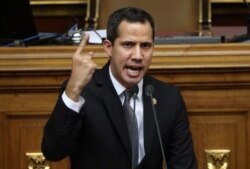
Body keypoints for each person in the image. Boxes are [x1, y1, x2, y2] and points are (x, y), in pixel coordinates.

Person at [41, 7, 197, 169]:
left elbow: (184, 164)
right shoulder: (82, 91)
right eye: (128, 45)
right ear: (108, 47)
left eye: (145, 46)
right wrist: (73, 88)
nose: (137, 56)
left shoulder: (169, 97)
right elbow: (53, 151)